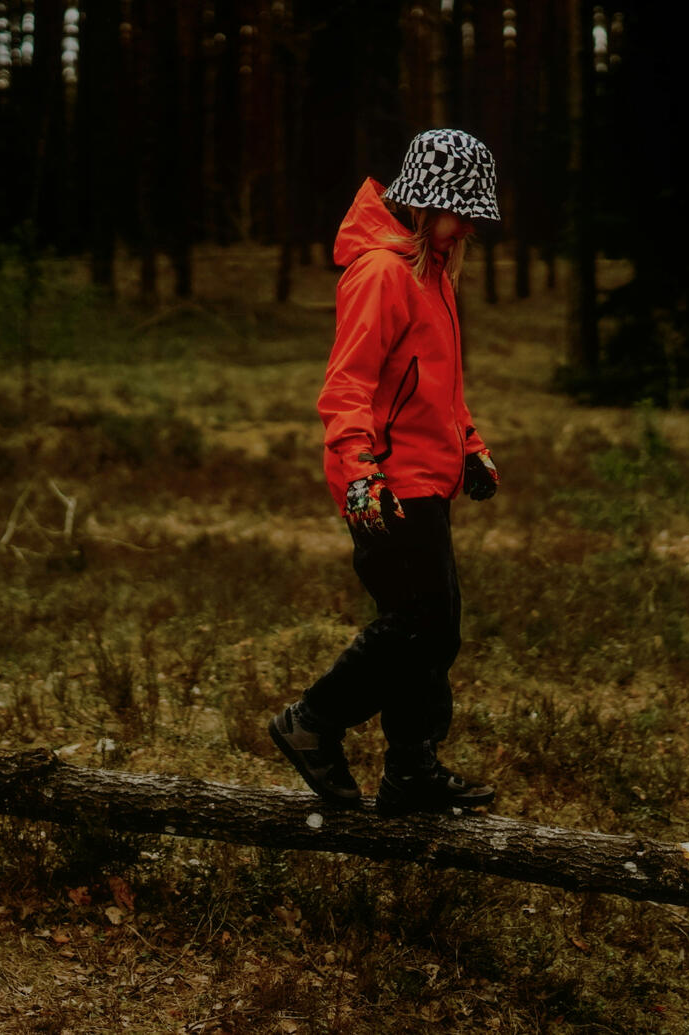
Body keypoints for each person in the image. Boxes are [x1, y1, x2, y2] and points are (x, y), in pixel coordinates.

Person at [269, 128, 501, 816]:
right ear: (420, 203)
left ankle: (411, 771)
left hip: (426, 476)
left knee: (431, 627)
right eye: (454, 211)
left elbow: (434, 384)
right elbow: (347, 384)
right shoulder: (380, 272)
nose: (463, 228)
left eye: (470, 216)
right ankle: (312, 721)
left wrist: (469, 443)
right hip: (386, 482)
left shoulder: (431, 268)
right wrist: (360, 467)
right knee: (420, 624)